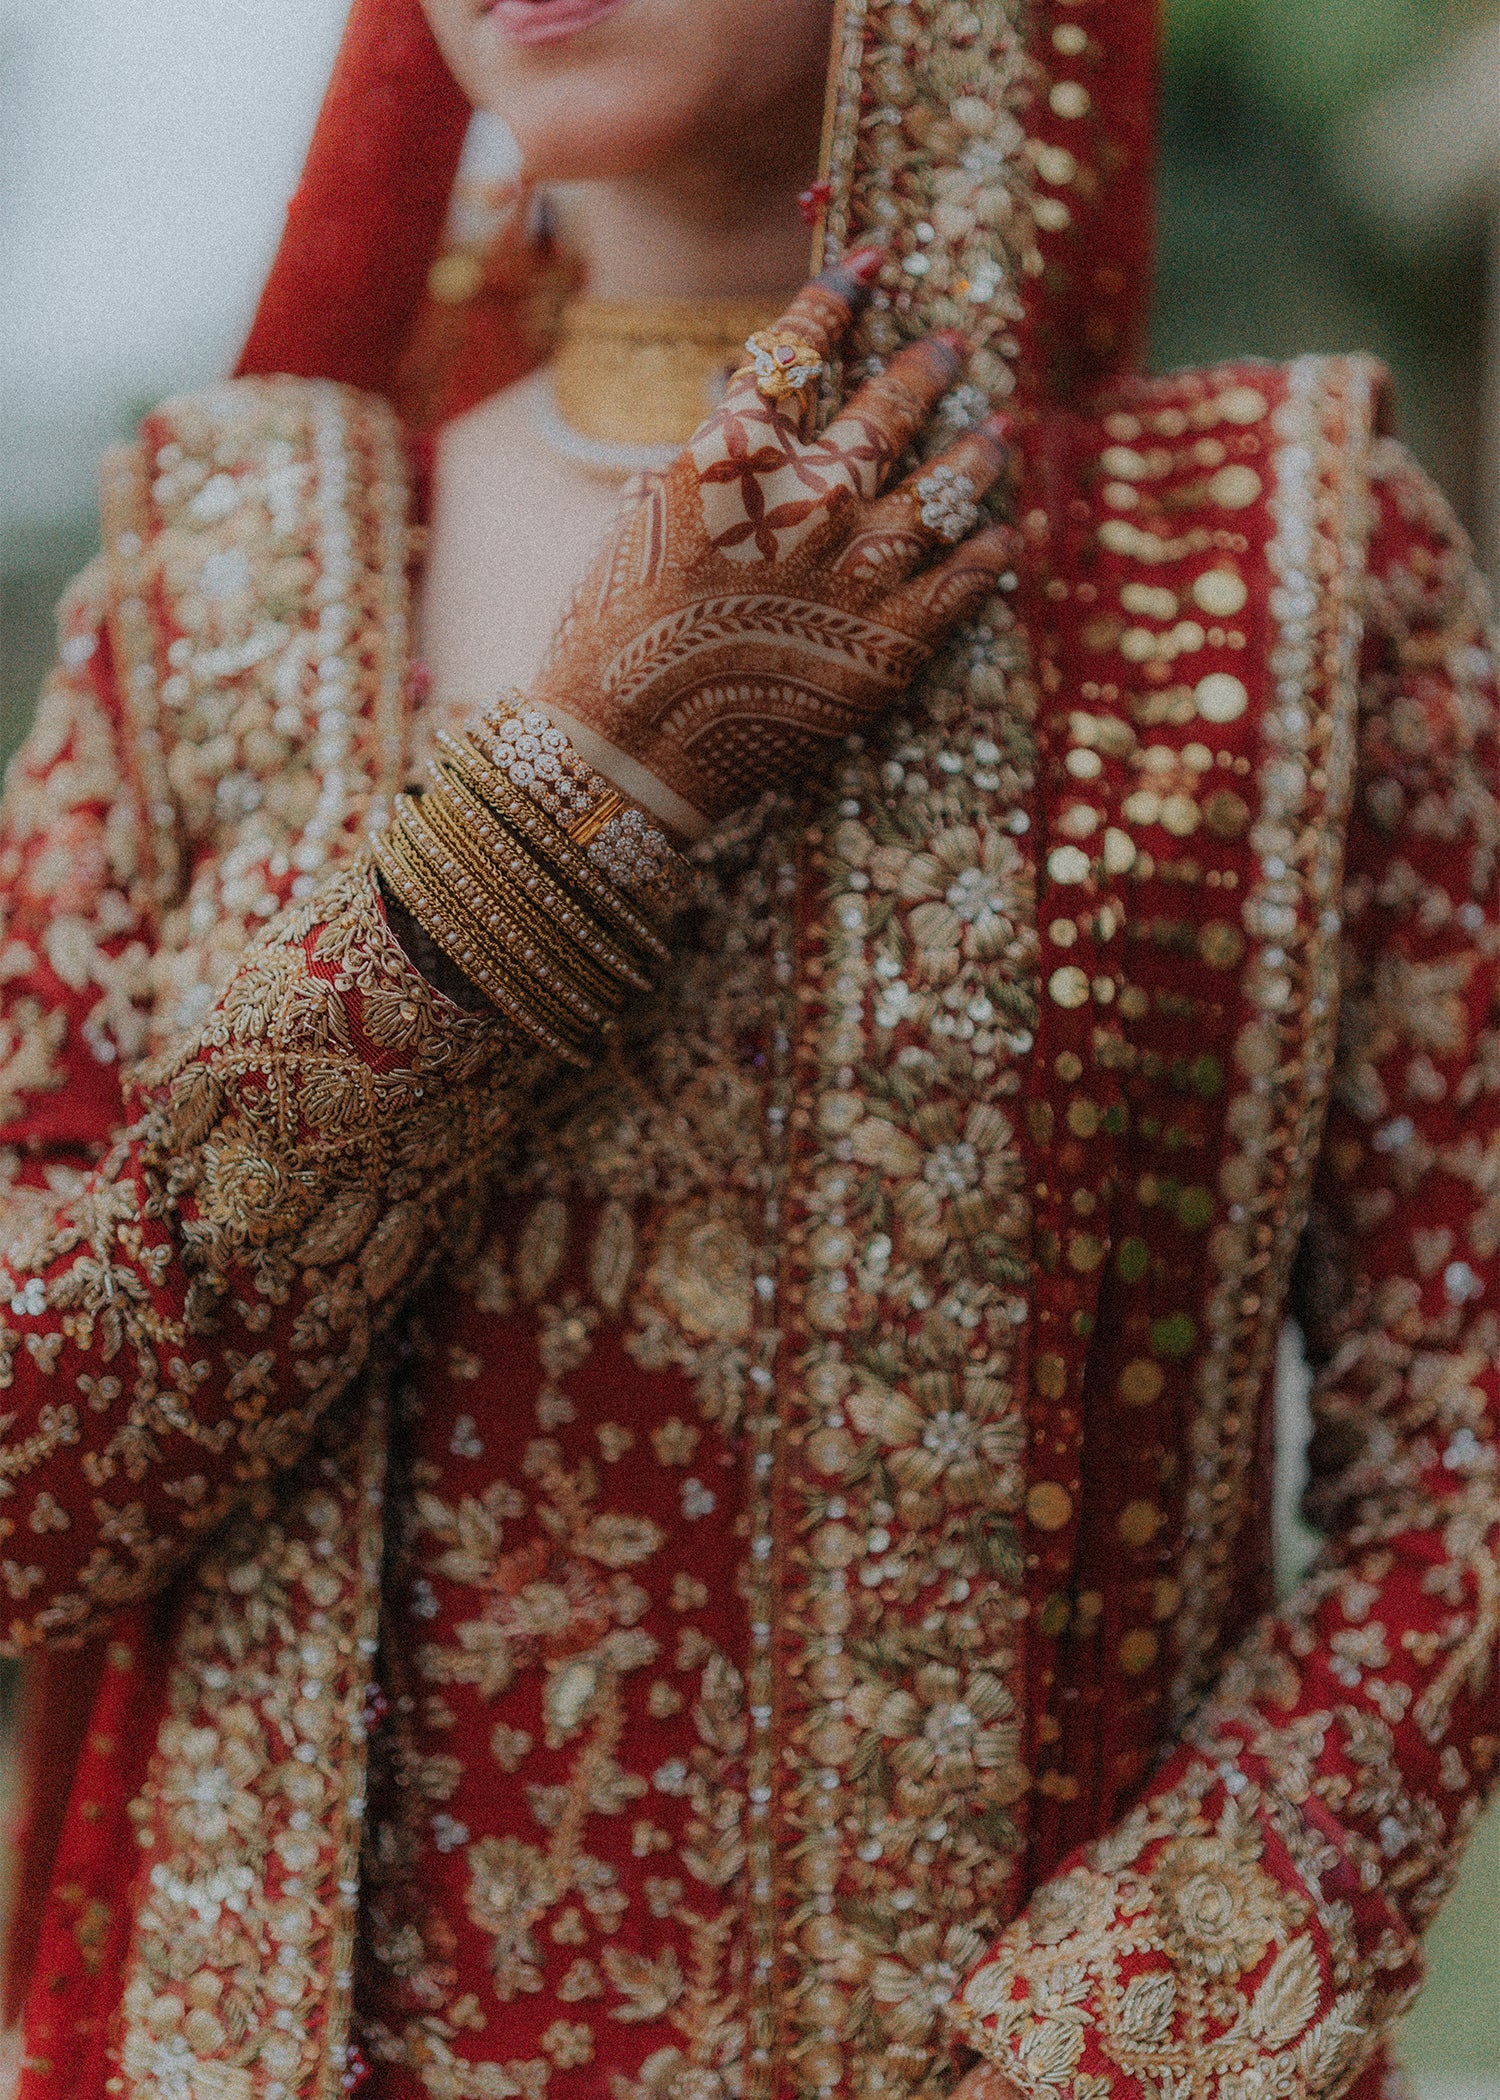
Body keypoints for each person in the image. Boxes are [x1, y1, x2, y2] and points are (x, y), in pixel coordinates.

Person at [0, 0, 1494, 2096]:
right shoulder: (221, 564)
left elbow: (1467, 1457)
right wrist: (571, 803)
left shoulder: (1273, 559)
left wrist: (1120, 2044)